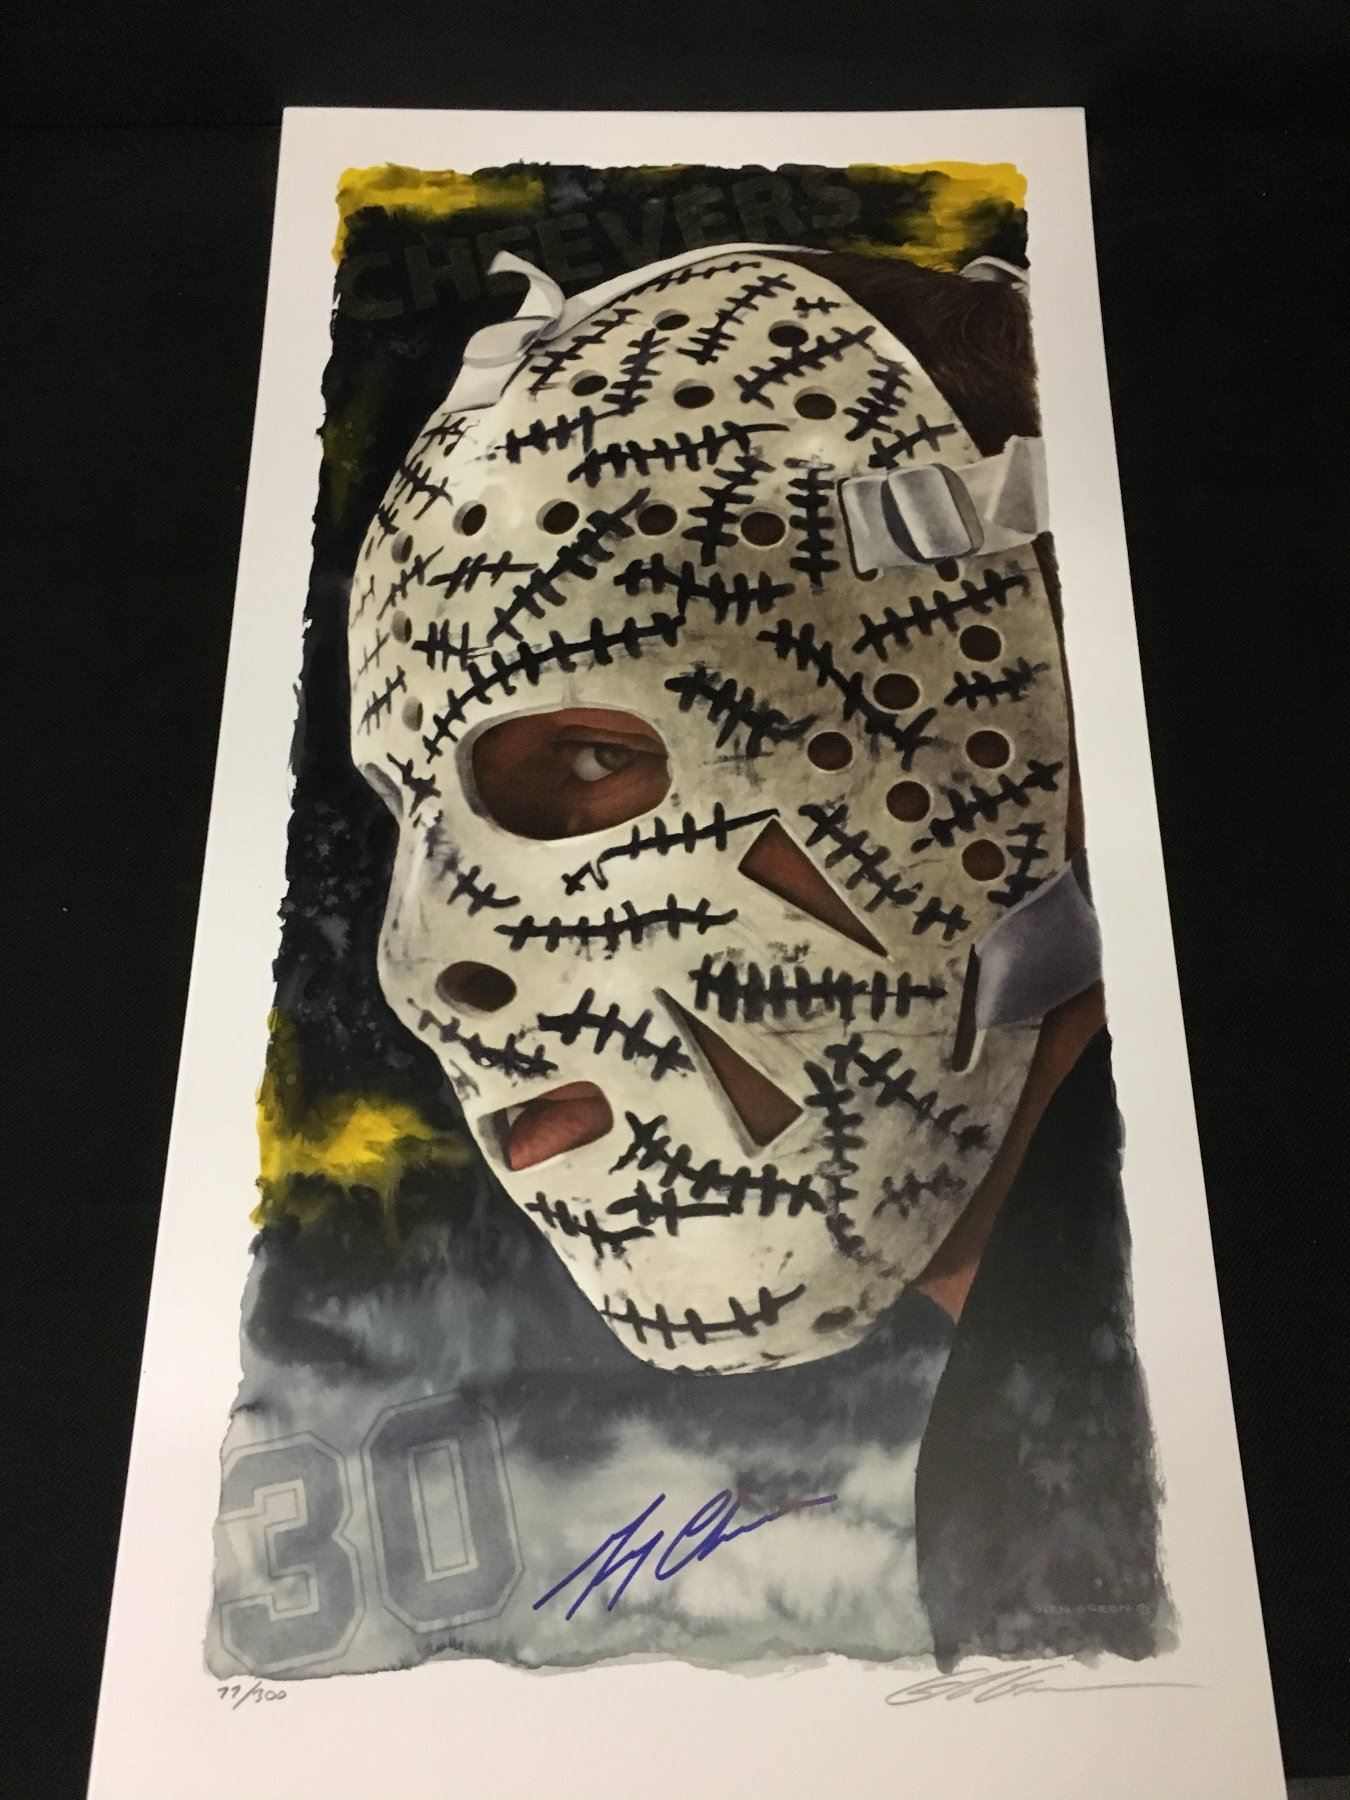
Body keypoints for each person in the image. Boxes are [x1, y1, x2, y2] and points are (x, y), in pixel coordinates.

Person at [209, 242, 1165, 1681]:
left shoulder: (1135, 1441)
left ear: (1019, 717)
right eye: (415, 817)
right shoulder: (1038, 1441)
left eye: (592, 757)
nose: (427, 967)